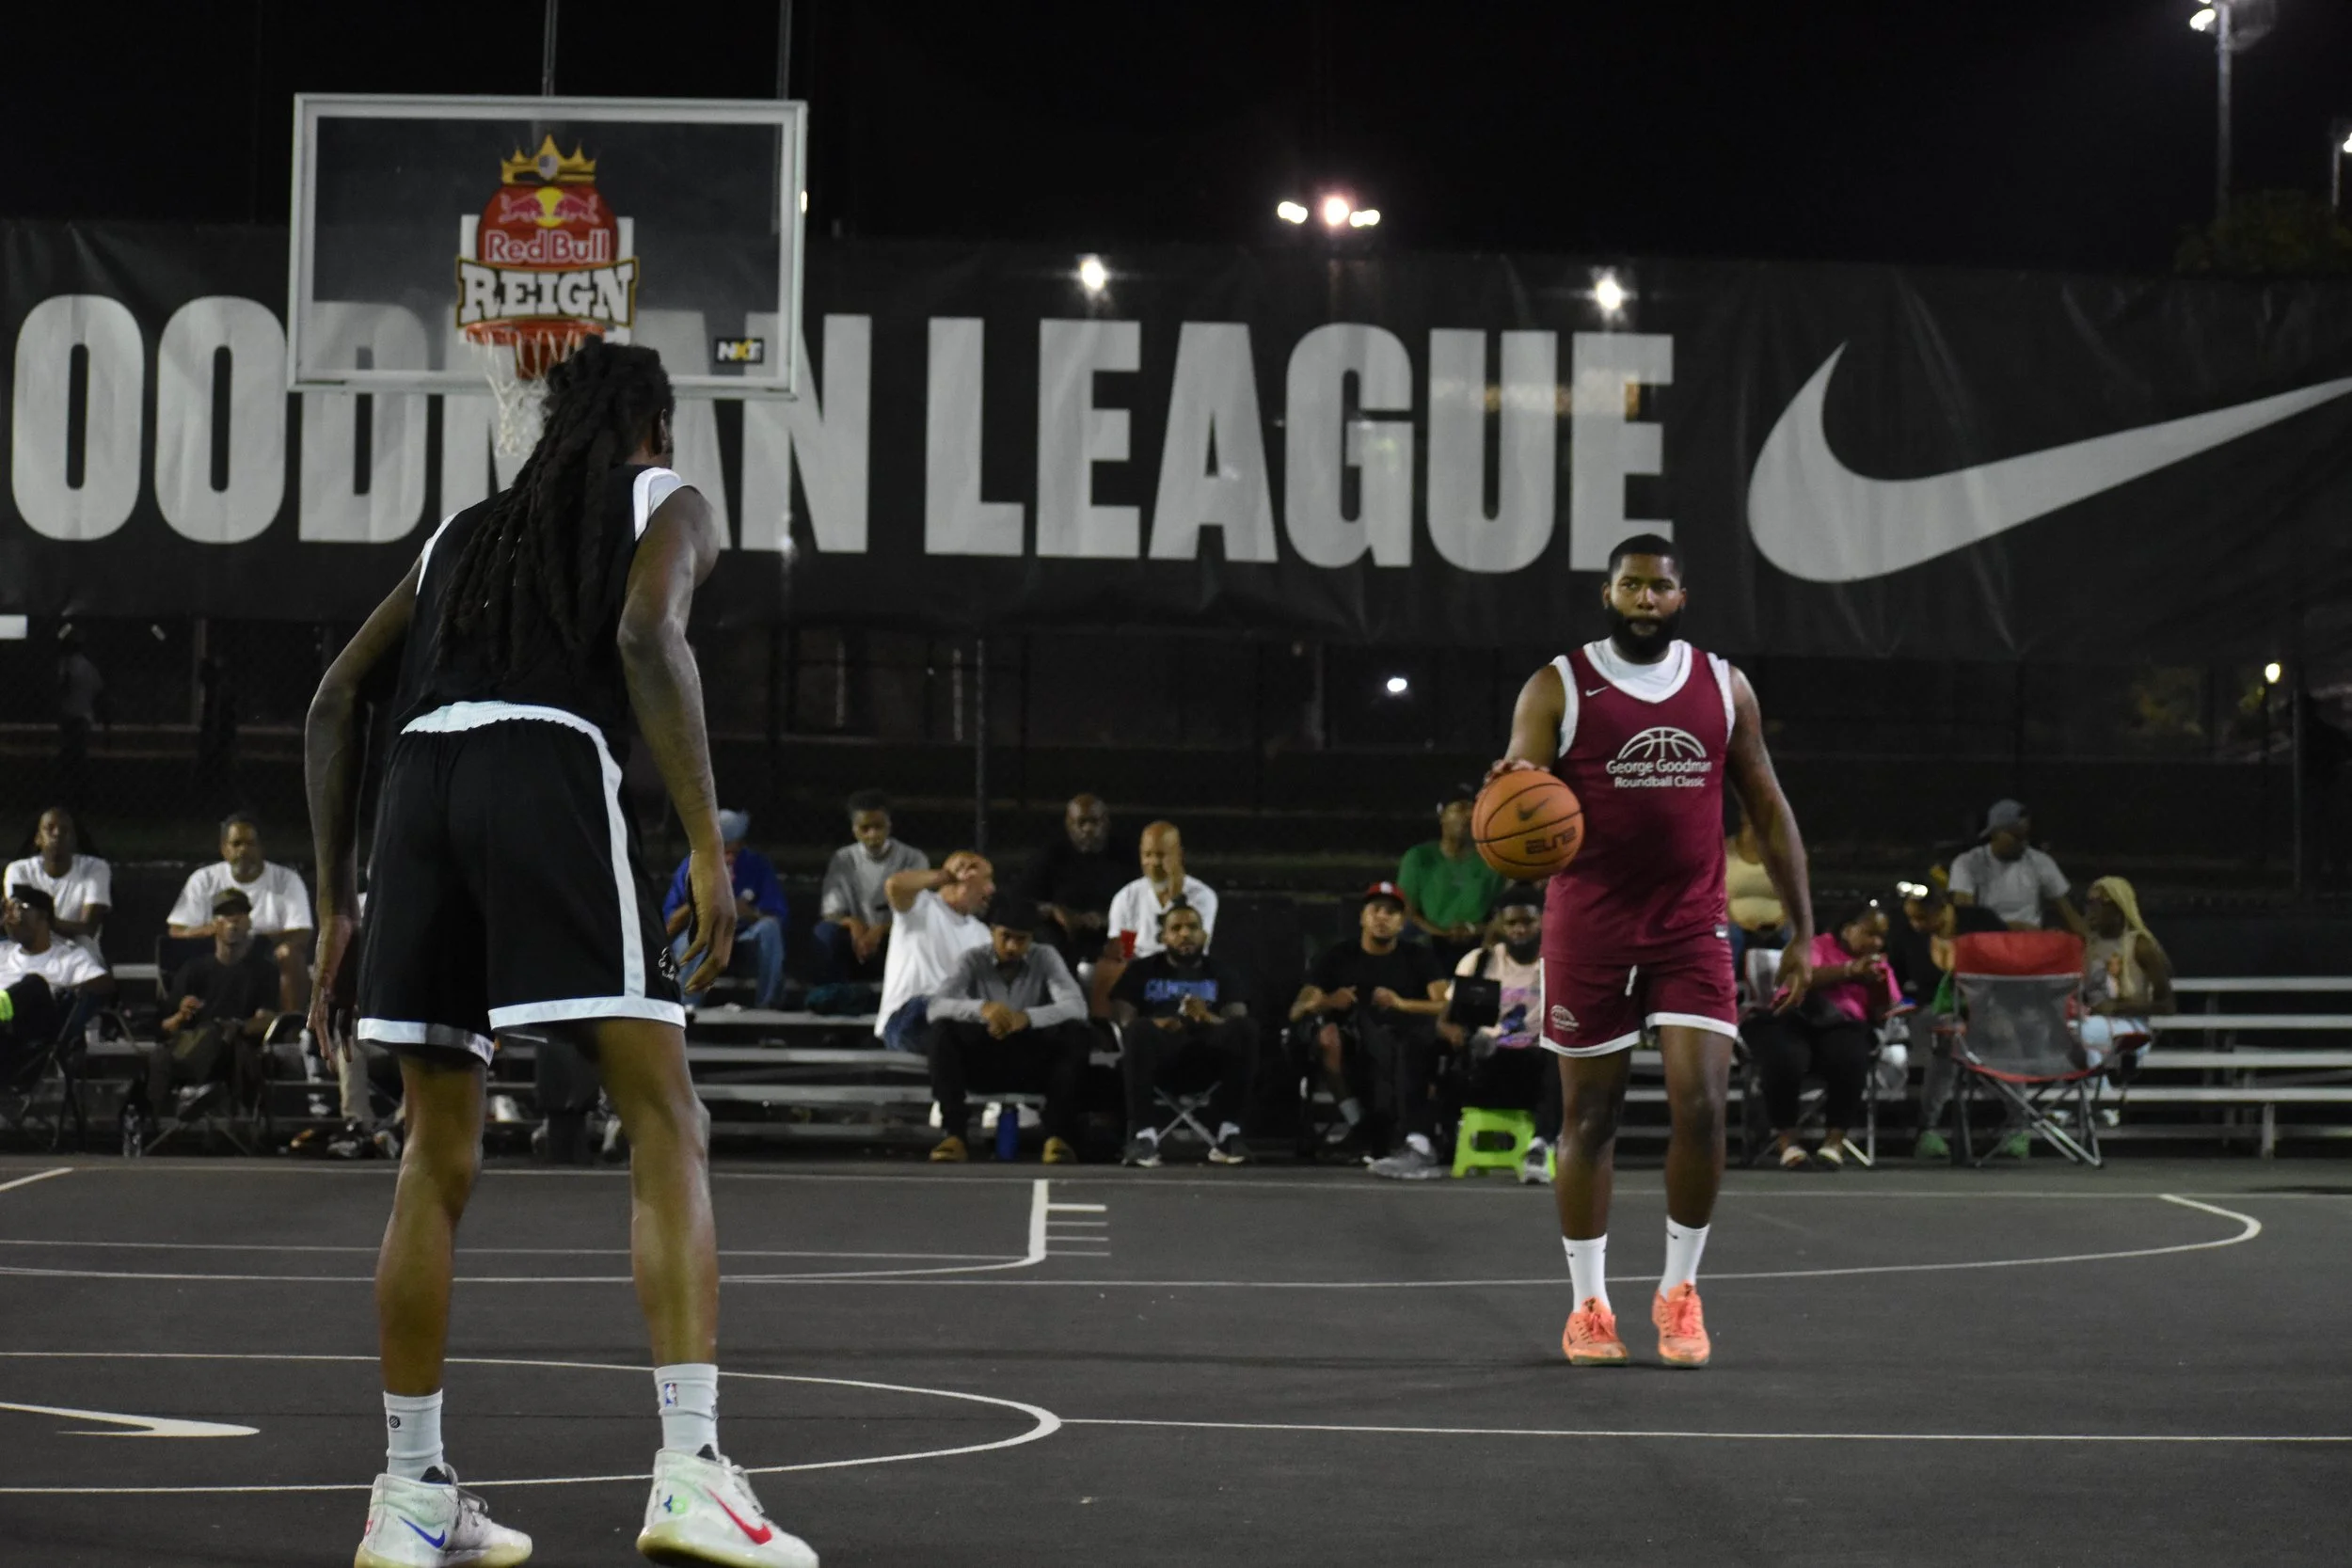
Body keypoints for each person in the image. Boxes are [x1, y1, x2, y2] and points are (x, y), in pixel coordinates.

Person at [305, 341, 817, 1566]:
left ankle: (410, 1488)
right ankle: (691, 1467)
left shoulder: (458, 537)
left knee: (434, 1152)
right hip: (543, 768)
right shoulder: (663, 499)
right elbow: (649, 638)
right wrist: (705, 841)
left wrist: (334, 901)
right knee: (665, 1119)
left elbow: (333, 700)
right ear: (652, 422)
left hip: (416, 792)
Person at [1491, 532, 1813, 1370]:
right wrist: (1510, 785)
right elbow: (1521, 780)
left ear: (1680, 597)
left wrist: (1807, 929)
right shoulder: (1558, 682)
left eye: (1658, 588)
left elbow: (1770, 808)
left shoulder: (1721, 684)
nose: (1644, 599)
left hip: (1691, 922)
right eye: (1629, 585)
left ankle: (1679, 1291)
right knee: (1588, 1119)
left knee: (1701, 1106)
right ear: (1607, 593)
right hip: (1591, 923)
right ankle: (1588, 1304)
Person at [1287, 881, 1451, 1177]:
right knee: (1326, 1037)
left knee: (1416, 1046)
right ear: (1363, 917)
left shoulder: (1419, 957)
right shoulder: (1338, 956)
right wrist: (1325, 1002)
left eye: (1392, 912)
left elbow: (1444, 1005)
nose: (1382, 917)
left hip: (1408, 1042)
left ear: (1402, 923)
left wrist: (1402, 1005)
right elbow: (1297, 1010)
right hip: (1355, 1045)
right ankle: (1358, 1125)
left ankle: (1413, 1136)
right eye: (1376, 909)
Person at [922, 896, 1092, 1164]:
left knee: (1077, 1033)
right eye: (1006, 937)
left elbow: (1076, 1006)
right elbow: (935, 1007)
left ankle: (1058, 1137)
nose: (1013, 946)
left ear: (1032, 938)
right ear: (992, 932)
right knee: (942, 1031)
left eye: (1021, 939)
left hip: (1030, 1060)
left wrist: (1026, 1018)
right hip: (984, 1058)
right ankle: (954, 1134)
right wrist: (982, 1010)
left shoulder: (1045, 956)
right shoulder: (972, 959)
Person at [1744, 903, 1900, 1170]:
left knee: (1851, 1056)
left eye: (1881, 937)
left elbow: (1883, 1011)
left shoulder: (1878, 964)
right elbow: (1799, 979)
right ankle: (1788, 1143)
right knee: (1785, 1058)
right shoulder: (1817, 946)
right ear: (1848, 929)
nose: (1876, 942)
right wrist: (1849, 971)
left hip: (1843, 1026)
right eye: (1870, 933)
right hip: (1796, 1018)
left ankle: (1834, 1143)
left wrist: (1878, 987)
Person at [1112, 900, 1257, 1167]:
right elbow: (1124, 1021)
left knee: (1245, 1029)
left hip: (1208, 1058)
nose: (1184, 934)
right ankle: (1143, 1137)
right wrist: (1170, 1022)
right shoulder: (1141, 971)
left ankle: (1229, 1134)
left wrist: (1205, 1017)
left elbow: (1237, 1016)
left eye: (1192, 927)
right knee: (1139, 1031)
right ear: (1163, 937)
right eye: (1176, 928)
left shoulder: (1222, 972)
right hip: (1158, 1060)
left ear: (1205, 935)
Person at [129, 887, 279, 1133]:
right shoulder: (193, 970)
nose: (233, 920)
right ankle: (145, 1124)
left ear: (249, 921)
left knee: (215, 1033)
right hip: (187, 1048)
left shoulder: (263, 971)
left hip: (232, 1051)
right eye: (225, 915)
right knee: (159, 1056)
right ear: (213, 924)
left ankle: (195, 1093)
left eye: (239, 914)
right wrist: (181, 1014)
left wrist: (239, 1026)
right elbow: (164, 1027)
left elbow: (268, 1020)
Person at [1439, 883, 1561, 1185]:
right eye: (1511, 923)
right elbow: (1444, 1020)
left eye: (1528, 922)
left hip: (1538, 1068)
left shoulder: (1560, 964)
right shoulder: (1479, 962)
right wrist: (1453, 1032)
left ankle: (1540, 1145)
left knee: (1560, 1055)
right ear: (1500, 924)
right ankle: (1423, 1140)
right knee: (1424, 1044)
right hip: (1489, 1065)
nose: (1519, 930)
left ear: (1543, 921)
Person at [1888, 881, 2005, 1162]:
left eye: (1922, 918)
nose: (1915, 925)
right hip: (1934, 1011)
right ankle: (1927, 1130)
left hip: (1991, 1007)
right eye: (1911, 918)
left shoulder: (1983, 922)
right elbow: (1896, 983)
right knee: (1948, 1034)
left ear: (1944, 909)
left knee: (2004, 1032)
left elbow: (2009, 966)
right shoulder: (1906, 935)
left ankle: (2018, 1126)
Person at [167, 814, 316, 1015]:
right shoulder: (203, 880)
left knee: (290, 954)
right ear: (224, 848)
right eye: (236, 844)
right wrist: (215, 931)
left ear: (262, 847)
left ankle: (289, 1028)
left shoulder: (287, 880)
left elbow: (301, 933)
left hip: (267, 959)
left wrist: (253, 941)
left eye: (250, 844)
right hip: (216, 957)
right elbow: (176, 930)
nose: (243, 850)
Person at [663, 809, 787, 1008]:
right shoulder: (691, 865)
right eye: (722, 850)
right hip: (704, 936)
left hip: (744, 937)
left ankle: (768, 1005)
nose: (729, 857)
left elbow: (776, 915)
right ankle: (686, 1006)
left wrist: (750, 913)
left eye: (733, 851)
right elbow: (670, 925)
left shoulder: (757, 865)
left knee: (770, 929)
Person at [874, 851, 995, 1054]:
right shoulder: (922, 906)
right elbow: (894, 885)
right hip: (907, 1019)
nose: (992, 889)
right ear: (963, 877)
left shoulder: (983, 934)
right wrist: (947, 876)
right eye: (986, 879)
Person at [814, 790, 927, 983]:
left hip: (894, 936)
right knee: (825, 932)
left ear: (889, 825)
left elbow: (919, 912)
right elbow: (831, 911)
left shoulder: (913, 858)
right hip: (855, 939)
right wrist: (855, 925)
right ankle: (836, 990)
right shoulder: (843, 859)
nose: (873, 834)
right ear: (854, 829)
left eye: (878, 827)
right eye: (865, 828)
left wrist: (879, 929)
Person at [0, 885, 109, 1077]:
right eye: (6, 910)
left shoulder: (70, 957)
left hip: (32, 1041)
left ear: (42, 917)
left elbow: (103, 984)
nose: (10, 918)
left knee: (34, 985)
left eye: (18, 909)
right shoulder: (3, 952)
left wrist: (58, 990)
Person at [1396, 784, 1506, 968]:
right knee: (1404, 931)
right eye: (1460, 808)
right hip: (1431, 936)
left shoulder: (1492, 858)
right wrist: (1441, 932)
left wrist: (1475, 930)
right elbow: (1408, 909)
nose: (1469, 815)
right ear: (1442, 816)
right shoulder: (1419, 856)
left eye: (1474, 809)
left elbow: (1502, 911)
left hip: (1479, 936)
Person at [1017, 793, 1131, 967]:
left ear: (1106, 823)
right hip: (1065, 937)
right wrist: (1054, 911)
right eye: (1081, 822)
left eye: (1094, 821)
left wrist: (1109, 919)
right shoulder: (1051, 856)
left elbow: (1140, 901)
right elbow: (1021, 901)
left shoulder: (1124, 856)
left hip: (1113, 933)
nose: (1088, 829)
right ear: (1069, 825)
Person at [2079, 875, 2173, 1066]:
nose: (2092, 910)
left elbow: (2167, 1005)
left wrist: (2117, 1008)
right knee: (2076, 1035)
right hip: (2097, 1025)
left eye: (2100, 903)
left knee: (2080, 1033)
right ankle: (2104, 1092)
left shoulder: (2140, 946)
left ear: (2118, 908)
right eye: (2089, 903)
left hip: (2133, 1027)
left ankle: (2104, 1087)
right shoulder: (2089, 945)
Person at [1948, 800, 2082, 933]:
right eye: (2017, 836)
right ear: (1995, 832)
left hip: (2029, 943)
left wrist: (2089, 943)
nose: (2023, 843)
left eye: (2026, 836)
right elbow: (1965, 917)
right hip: (1987, 941)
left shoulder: (2040, 861)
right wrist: (2011, 927)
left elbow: (2068, 911)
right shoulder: (1967, 862)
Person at [7, 806, 112, 960]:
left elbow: (88, 927)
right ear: (38, 838)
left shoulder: (95, 868)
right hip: (32, 957)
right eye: (50, 829)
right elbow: (20, 926)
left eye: (65, 830)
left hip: (78, 957)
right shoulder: (19, 871)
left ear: (75, 839)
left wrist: (39, 921)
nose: (57, 834)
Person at [1107, 821, 1218, 959]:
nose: (1154, 862)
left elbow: (1192, 949)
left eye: (1161, 855)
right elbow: (1124, 952)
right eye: (1147, 855)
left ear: (1179, 854)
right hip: (1140, 971)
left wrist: (1177, 899)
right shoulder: (1127, 897)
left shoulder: (1202, 895)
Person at [1724, 811, 1790, 986]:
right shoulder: (1725, 851)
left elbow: (1791, 896)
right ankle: (1724, 987)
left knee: (1791, 938)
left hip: (1777, 923)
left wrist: (1780, 921)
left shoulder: (1784, 853)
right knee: (1731, 937)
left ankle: (1787, 993)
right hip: (1735, 921)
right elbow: (1720, 895)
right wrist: (1740, 922)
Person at [55, 625, 103, 800]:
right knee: (77, 756)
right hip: (84, 716)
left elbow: (62, 689)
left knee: (69, 758)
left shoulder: (66, 665)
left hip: (70, 716)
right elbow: (99, 690)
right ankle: (82, 794)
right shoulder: (89, 667)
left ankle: (72, 794)